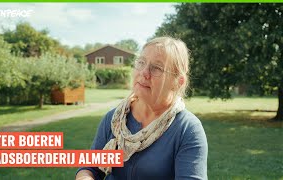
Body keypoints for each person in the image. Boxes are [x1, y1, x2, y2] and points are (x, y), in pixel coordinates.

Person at [76, 37, 208, 180]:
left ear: (177, 82)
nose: (144, 73)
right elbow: (90, 169)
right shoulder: (114, 119)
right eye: (141, 63)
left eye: (157, 68)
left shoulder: (187, 129)